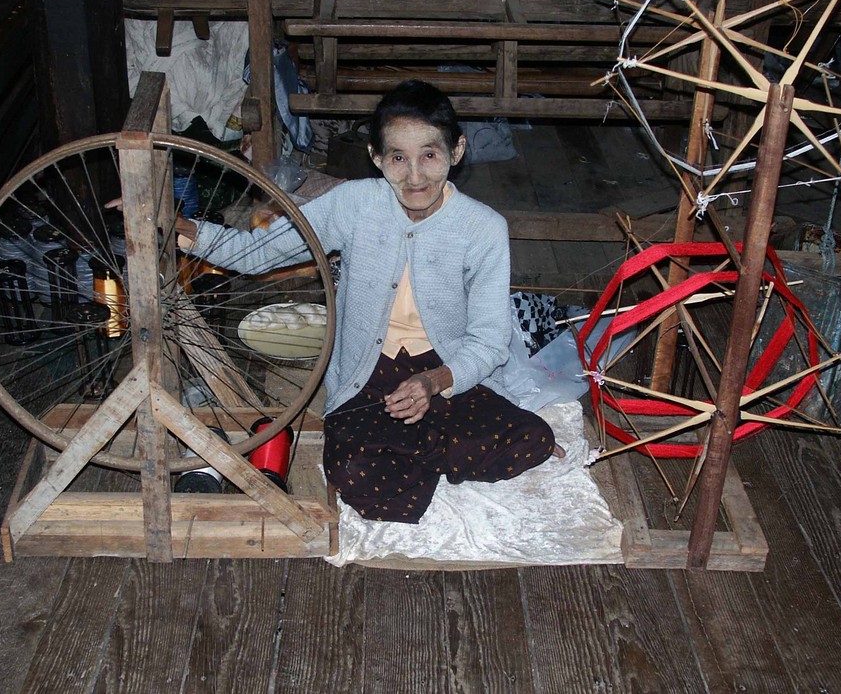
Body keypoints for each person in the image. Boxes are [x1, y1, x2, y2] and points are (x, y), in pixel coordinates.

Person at [174, 80, 561, 523]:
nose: (415, 176)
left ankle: (415, 446)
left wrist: (432, 384)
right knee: (354, 474)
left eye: (430, 156)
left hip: (444, 371)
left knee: (535, 439)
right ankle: (434, 446)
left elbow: (491, 341)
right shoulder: (356, 204)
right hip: (369, 372)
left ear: (457, 151)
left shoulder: (483, 228)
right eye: (398, 158)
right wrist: (195, 233)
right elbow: (266, 250)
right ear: (376, 158)